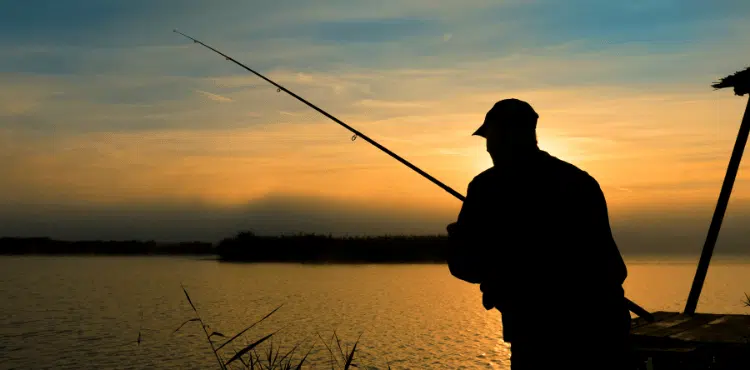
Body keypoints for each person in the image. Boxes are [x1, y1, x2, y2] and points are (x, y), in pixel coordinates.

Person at [446, 99, 633, 369]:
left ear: (503, 136)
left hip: (537, 336)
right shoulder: (580, 181)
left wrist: (457, 238)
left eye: (490, 137)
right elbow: (606, 263)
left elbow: (467, 267)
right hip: (605, 327)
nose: (488, 146)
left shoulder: (487, 188)